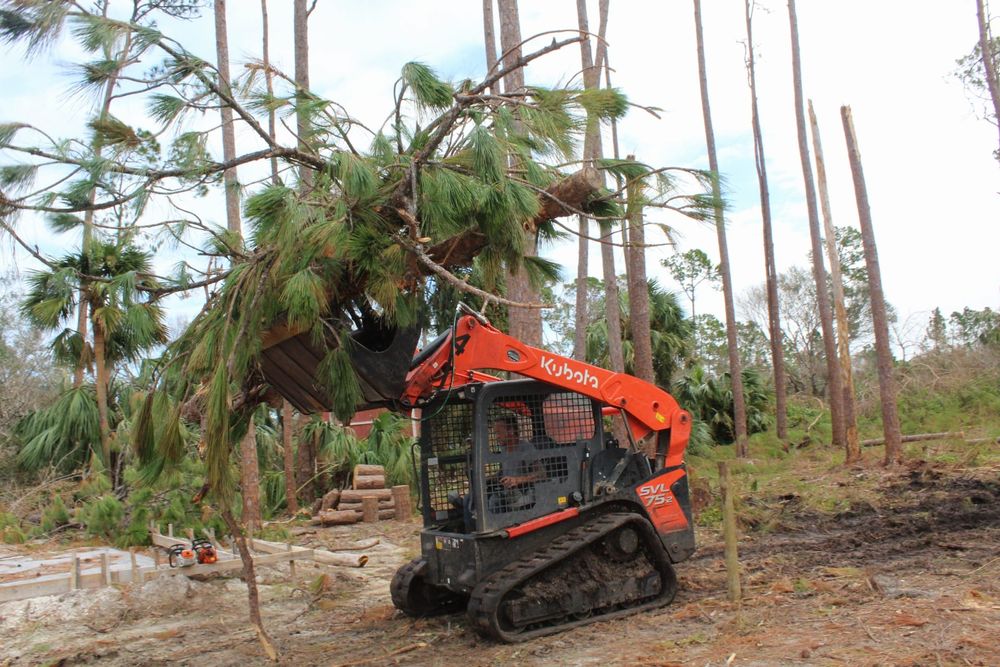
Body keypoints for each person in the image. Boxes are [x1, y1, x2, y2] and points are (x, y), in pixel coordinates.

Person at [488, 414, 544, 513]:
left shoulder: (526, 448)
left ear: (511, 431)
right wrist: (490, 478)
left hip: (525, 492)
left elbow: (541, 473)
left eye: (499, 433)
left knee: (496, 502)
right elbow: (503, 473)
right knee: (486, 499)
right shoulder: (504, 450)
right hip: (508, 492)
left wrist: (517, 480)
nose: (496, 437)